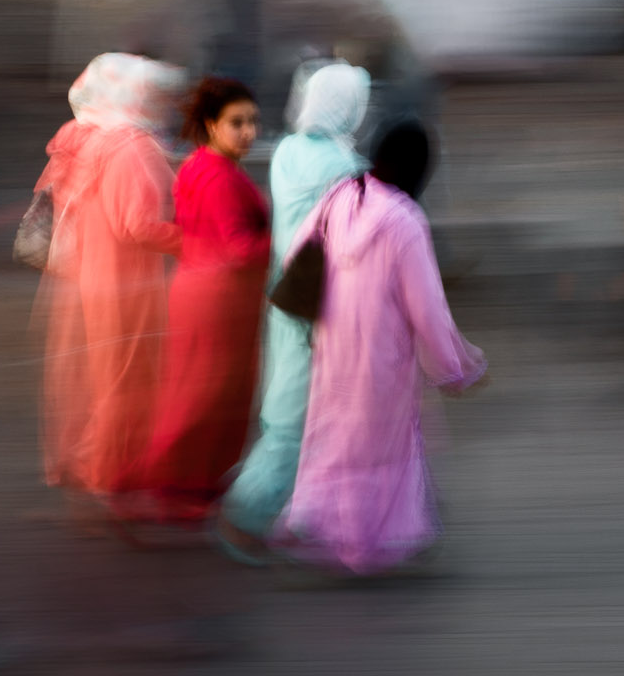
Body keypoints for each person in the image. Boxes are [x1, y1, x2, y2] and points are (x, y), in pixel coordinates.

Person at [275, 120, 487, 577]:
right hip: (383, 356)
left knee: (337, 440)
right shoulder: (405, 220)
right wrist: (454, 368)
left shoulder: (340, 197)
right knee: (382, 448)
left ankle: (322, 527)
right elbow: (427, 308)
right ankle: (367, 542)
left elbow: (296, 255)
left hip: (334, 348)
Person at [216, 61, 372, 562]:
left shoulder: (289, 149)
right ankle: (246, 514)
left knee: (287, 405)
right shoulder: (344, 167)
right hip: (322, 304)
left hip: (286, 294)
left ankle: (298, 511)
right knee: (299, 418)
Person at [36, 53, 185, 516]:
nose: (164, 104)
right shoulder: (133, 147)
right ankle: (110, 475)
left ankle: (89, 464)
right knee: (127, 380)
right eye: (155, 94)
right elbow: (138, 225)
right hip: (126, 282)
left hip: (85, 276)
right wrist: (197, 242)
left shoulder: (82, 135)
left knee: (96, 376)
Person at [137, 77, 270, 523]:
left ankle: (192, 481)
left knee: (202, 392)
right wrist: (292, 241)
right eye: (237, 122)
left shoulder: (197, 164)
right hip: (219, 300)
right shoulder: (221, 177)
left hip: (197, 288)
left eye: (252, 121)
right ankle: (165, 484)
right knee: (204, 396)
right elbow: (240, 248)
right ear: (212, 124)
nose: (248, 132)